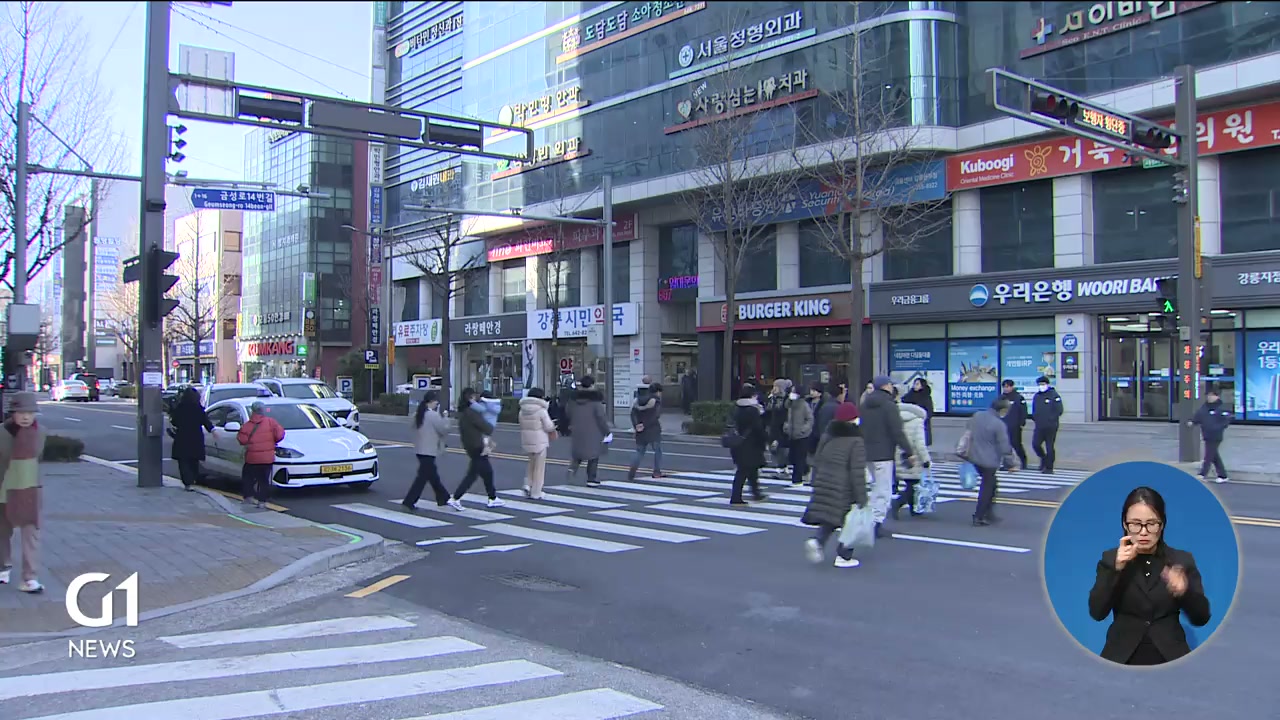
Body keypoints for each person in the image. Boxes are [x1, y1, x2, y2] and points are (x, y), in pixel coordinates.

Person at [1088, 486, 1211, 665]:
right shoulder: (1111, 559)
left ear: (1162, 525)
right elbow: (1097, 612)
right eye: (1135, 524)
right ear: (1125, 525)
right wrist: (1116, 569)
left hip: (1170, 656)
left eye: (1152, 524)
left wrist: (1184, 592)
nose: (1144, 532)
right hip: (1122, 656)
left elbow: (1202, 618)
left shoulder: (1181, 560)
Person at [801, 402, 867, 568]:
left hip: (825, 482)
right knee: (851, 523)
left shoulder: (828, 436)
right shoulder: (856, 441)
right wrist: (862, 498)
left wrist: (816, 482)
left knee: (831, 517)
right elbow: (857, 472)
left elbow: (817, 460)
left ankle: (817, 541)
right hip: (844, 487)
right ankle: (844, 556)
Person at [0, 393, 46, 592]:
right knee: (3, 532)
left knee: (31, 534)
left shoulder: (40, 432)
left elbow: (37, 459)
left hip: (30, 489)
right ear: (13, 413)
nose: (26, 417)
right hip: (4, 489)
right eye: (21, 412)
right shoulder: (2, 433)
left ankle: (30, 577)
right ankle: (3, 567)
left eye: (30, 412)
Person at [858, 375, 914, 536]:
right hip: (883, 453)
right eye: (890, 384)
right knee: (883, 490)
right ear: (886, 386)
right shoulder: (889, 405)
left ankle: (870, 519)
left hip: (867, 452)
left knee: (874, 486)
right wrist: (909, 451)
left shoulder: (864, 405)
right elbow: (897, 431)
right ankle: (876, 523)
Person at [964, 397, 1019, 527]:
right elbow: (1004, 447)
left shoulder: (977, 416)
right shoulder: (999, 424)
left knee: (992, 484)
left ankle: (988, 513)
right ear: (1003, 410)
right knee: (987, 487)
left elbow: (969, 431)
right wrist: (1010, 464)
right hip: (989, 460)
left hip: (974, 456)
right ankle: (979, 516)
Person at [449, 388, 503, 508]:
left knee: (486, 472)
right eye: (474, 397)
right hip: (477, 446)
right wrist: (490, 426)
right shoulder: (472, 412)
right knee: (473, 475)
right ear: (470, 398)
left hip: (472, 445)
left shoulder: (464, 412)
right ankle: (456, 498)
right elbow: (486, 427)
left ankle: (492, 497)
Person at [404, 389, 451, 512]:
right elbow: (444, 429)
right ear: (431, 402)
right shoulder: (433, 415)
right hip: (429, 450)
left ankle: (443, 497)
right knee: (422, 478)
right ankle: (409, 501)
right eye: (436, 401)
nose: (436, 403)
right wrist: (446, 418)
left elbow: (412, 427)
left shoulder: (418, 414)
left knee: (432, 476)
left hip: (420, 449)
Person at [236, 402, 285, 509]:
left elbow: (242, 439)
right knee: (263, 480)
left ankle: (248, 497)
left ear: (252, 411)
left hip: (252, 458)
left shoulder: (247, 425)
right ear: (263, 410)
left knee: (248, 477)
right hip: (267, 458)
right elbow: (280, 434)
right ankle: (262, 501)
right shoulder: (271, 422)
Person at [891, 396, 932, 519]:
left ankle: (913, 509)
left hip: (900, 454)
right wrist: (926, 459)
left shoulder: (896, 418)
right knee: (913, 484)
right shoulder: (917, 421)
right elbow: (919, 443)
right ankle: (898, 503)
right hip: (914, 457)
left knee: (910, 483)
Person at [567, 376, 611, 487]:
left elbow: (568, 412)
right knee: (593, 455)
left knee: (578, 453)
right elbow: (601, 417)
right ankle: (591, 478)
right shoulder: (595, 400)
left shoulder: (573, 399)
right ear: (592, 385)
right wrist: (607, 431)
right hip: (593, 430)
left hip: (577, 429)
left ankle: (572, 470)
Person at [729, 384, 768, 505]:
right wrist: (765, 440)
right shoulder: (753, 410)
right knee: (744, 470)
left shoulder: (736, 408)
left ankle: (756, 493)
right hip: (751, 444)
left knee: (751, 470)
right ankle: (736, 497)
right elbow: (758, 428)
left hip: (738, 443)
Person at [169, 386, 214, 491]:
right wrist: (212, 430)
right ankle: (192, 479)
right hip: (195, 437)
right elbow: (206, 421)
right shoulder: (198, 409)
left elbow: (174, 421)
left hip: (182, 437)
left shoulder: (180, 408)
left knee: (183, 461)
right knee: (194, 460)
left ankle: (187, 482)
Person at [518, 387, 557, 499]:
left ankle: (527, 485)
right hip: (540, 441)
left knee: (531, 465)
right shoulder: (541, 410)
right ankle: (536, 492)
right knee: (539, 468)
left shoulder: (522, 410)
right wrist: (554, 425)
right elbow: (548, 426)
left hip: (527, 440)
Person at [1189, 389, 1230, 484]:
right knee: (1214, 455)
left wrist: (1216, 428)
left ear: (1217, 397)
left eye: (1212, 395)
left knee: (1208, 455)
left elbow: (1225, 421)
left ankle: (1203, 473)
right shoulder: (1204, 407)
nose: (1210, 397)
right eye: (1208, 395)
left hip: (1216, 435)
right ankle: (1223, 475)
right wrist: (1193, 422)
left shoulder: (1221, 407)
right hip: (1206, 434)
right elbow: (1198, 416)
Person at [628, 382, 664, 481]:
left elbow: (632, 413)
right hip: (653, 430)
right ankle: (657, 472)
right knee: (657, 451)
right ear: (658, 392)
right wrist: (645, 425)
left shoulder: (638, 400)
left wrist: (637, 425)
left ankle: (632, 472)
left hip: (640, 431)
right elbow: (655, 416)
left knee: (639, 451)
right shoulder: (656, 401)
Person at [1031, 375, 1064, 474]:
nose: (1041, 386)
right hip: (1039, 425)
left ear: (1047, 384)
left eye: (1043, 384)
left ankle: (1049, 467)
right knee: (1036, 444)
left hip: (1051, 426)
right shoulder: (1037, 396)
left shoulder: (1054, 395)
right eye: (1039, 384)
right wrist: (1035, 417)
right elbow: (1034, 409)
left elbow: (1059, 410)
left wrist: (1051, 419)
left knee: (1049, 446)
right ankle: (1043, 459)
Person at [783, 382, 813, 486]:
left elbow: (810, 419)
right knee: (793, 457)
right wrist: (786, 426)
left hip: (802, 435)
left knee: (799, 458)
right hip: (792, 434)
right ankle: (805, 470)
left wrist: (803, 429)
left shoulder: (804, 405)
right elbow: (786, 406)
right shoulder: (791, 404)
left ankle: (797, 479)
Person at [999, 379, 1029, 471]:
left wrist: (1022, 423)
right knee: (1005, 445)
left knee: (1016, 444)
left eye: (1007, 387)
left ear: (1012, 387)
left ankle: (1023, 461)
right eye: (1004, 387)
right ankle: (1007, 464)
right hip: (1003, 425)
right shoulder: (1001, 398)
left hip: (1015, 426)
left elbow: (1023, 411)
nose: (1006, 388)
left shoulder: (1018, 397)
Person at [901, 377, 934, 446]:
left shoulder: (926, 397)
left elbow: (929, 412)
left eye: (917, 384)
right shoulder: (909, 396)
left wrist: (922, 418)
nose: (914, 386)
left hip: (923, 424)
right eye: (914, 384)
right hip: (910, 424)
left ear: (922, 386)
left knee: (921, 444)